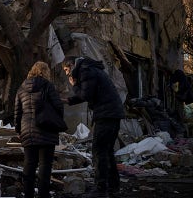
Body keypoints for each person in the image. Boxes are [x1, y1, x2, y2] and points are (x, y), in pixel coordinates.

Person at [62, 56, 125, 198]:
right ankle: (113, 186)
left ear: (71, 65)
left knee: (98, 150)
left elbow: (86, 95)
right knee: (107, 151)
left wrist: (74, 86)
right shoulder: (89, 69)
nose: (67, 74)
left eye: (66, 70)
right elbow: (87, 93)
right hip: (112, 113)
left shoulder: (85, 71)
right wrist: (68, 100)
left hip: (106, 114)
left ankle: (100, 189)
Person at [14, 61, 64, 198]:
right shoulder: (48, 86)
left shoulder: (21, 88)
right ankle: (43, 195)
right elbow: (59, 106)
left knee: (29, 165)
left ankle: (28, 195)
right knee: (45, 166)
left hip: (27, 132)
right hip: (47, 131)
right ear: (45, 72)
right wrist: (57, 121)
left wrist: (18, 130)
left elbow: (17, 112)